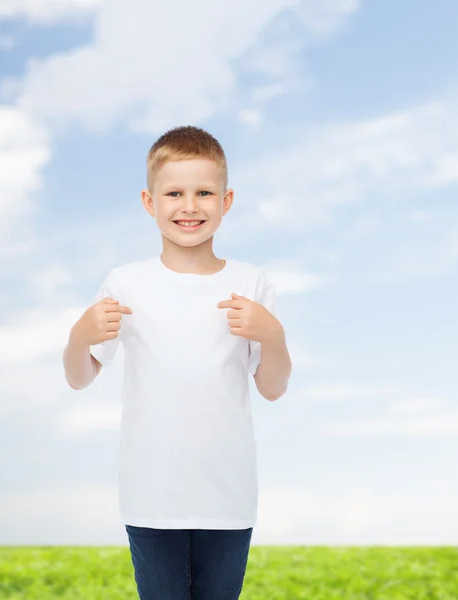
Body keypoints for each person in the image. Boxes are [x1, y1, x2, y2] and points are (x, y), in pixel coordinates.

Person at [63, 125, 293, 599]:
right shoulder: (125, 283)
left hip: (227, 496)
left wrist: (273, 335)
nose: (189, 206)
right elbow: (80, 377)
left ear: (226, 201)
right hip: (151, 496)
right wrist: (77, 337)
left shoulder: (252, 283)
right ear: (150, 202)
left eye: (204, 192)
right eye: (174, 193)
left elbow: (272, 388)